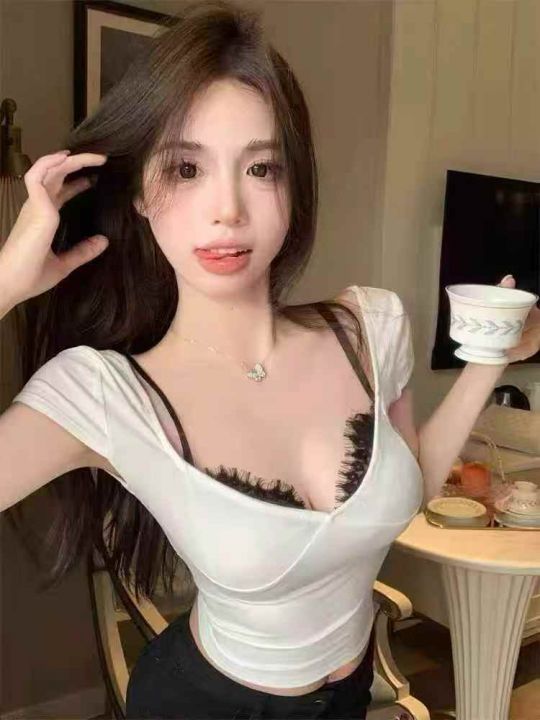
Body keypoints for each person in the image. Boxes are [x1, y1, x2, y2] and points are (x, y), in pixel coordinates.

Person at [1, 1, 538, 718]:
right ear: (138, 196)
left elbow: (408, 484)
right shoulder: (102, 394)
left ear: (293, 185)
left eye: (260, 167)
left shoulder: (371, 328)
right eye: (185, 168)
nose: (227, 208)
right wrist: (4, 282)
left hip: (347, 696)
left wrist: (492, 359)